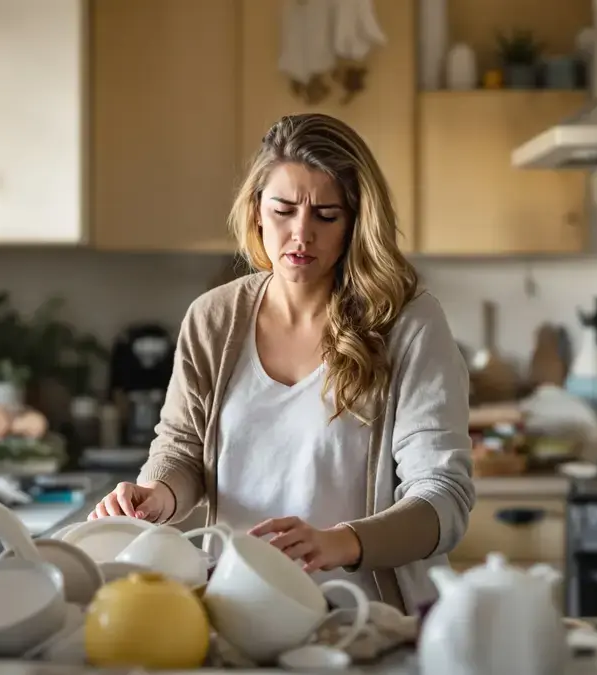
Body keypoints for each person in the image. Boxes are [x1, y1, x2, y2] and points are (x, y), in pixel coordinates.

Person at [88, 113, 474, 612]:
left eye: (327, 215)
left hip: (367, 621)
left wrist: (341, 542)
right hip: (237, 615)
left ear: (356, 222)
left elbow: (444, 497)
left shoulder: (408, 323)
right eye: (284, 210)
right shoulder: (214, 317)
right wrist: (158, 494)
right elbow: (182, 450)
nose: (301, 234)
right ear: (256, 212)